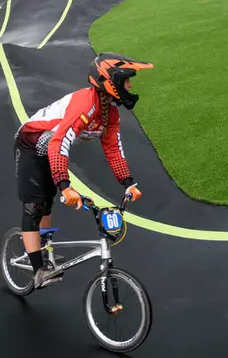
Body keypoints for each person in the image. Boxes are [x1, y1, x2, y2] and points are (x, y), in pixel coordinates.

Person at [14, 52, 152, 289]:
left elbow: (113, 149)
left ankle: (43, 246)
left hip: (52, 148)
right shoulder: (86, 104)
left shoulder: (110, 112)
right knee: (35, 205)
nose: (130, 86)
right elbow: (59, 142)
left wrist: (128, 182)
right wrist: (65, 185)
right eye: (126, 80)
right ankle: (38, 271)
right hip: (31, 143)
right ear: (110, 82)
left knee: (47, 200)